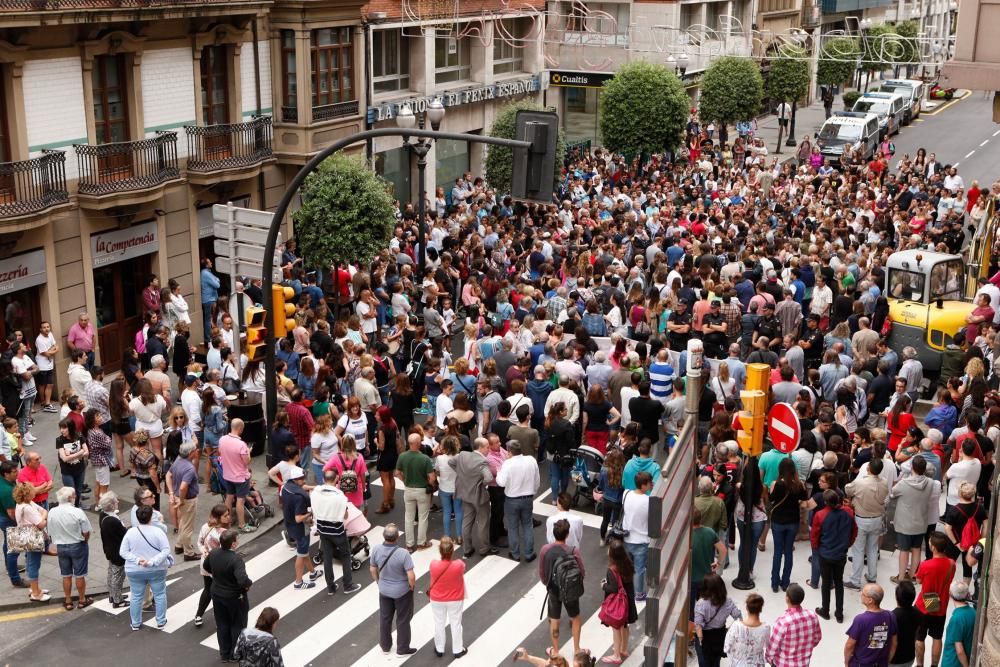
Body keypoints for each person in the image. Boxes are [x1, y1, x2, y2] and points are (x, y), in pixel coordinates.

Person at [120, 503, 172, 630]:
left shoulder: (130, 532)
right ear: (150, 517)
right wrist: (152, 562)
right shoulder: (158, 532)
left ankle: (135, 623)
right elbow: (166, 550)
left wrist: (138, 560)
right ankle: (160, 621)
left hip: (135, 570)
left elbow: (123, 552)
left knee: (136, 596)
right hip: (156, 569)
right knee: (159, 594)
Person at [205, 528, 253, 663]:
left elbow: (206, 566)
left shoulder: (214, 553)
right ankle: (235, 653)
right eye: (237, 539)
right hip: (234, 596)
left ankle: (224, 654)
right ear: (233, 544)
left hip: (217, 593)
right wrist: (248, 584)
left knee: (222, 624)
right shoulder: (236, 559)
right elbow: (242, 580)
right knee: (237, 624)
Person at [538, 518, 585, 657]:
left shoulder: (545, 550)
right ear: (567, 534)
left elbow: (542, 572)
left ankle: (556, 651)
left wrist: (547, 583)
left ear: (553, 533)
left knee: (554, 620)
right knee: (575, 617)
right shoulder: (573, 551)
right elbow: (582, 571)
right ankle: (577, 649)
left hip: (553, 589)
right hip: (570, 589)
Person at [311, 468, 362, 596]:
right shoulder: (340, 496)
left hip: (323, 529)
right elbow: (344, 516)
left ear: (323, 479)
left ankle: (331, 587)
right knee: (345, 555)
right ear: (337, 479)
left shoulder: (315, 492)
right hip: (337, 531)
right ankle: (348, 585)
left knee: (327, 557)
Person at [371, 523, 417, 657]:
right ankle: (402, 649)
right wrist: (411, 586)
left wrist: (379, 582)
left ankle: (385, 646)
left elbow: (373, 569)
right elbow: (411, 575)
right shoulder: (403, 553)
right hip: (402, 591)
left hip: (384, 590)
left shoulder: (376, 549)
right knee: (403, 619)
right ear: (397, 537)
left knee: (385, 618)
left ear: (383, 536)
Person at [915, 532, 958, 667]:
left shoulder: (925, 565)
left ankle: (920, 665)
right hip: (941, 606)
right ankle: (934, 665)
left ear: (933, 548)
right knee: (937, 637)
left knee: (919, 637)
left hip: (924, 606)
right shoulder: (952, 564)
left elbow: (919, 581)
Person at [450, 436, 496, 558]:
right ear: (480, 448)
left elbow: (451, 462)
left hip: (465, 494)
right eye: (487, 447)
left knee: (467, 522)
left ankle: (467, 549)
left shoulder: (463, 455)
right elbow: (489, 478)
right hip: (479, 496)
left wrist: (462, 474)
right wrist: (480, 484)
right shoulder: (482, 462)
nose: (489, 449)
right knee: (483, 523)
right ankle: (484, 548)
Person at [48, 486, 93, 610]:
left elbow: (50, 532)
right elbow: (86, 531)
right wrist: (85, 541)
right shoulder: (77, 512)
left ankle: (68, 601)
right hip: (77, 545)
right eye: (74, 495)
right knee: (80, 575)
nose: (75, 497)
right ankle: (82, 600)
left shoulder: (52, 511)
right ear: (70, 498)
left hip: (61, 546)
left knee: (66, 575)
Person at [497, 439, 540, 562]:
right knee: (527, 526)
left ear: (509, 452)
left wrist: (499, 471)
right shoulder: (531, 460)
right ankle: (529, 553)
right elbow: (537, 480)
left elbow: (501, 482)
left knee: (513, 527)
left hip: (512, 500)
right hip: (527, 498)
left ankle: (515, 554)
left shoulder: (507, 464)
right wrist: (533, 492)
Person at [769, 457, 808, 593]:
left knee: (777, 552)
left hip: (778, 521)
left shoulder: (777, 484)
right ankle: (785, 582)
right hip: (793, 521)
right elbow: (804, 502)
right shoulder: (799, 485)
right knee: (788, 552)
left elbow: (771, 499)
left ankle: (775, 583)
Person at [279, 466, 322, 589]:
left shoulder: (287, 487)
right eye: (302, 478)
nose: (304, 480)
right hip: (300, 528)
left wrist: (316, 488)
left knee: (304, 552)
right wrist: (311, 513)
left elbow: (302, 487)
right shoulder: (299, 497)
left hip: (290, 524)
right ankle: (298, 582)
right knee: (301, 554)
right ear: (296, 479)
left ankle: (313, 573)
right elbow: (299, 518)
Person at [429, 535, 468, 659]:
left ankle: (439, 648)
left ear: (440, 550)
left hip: (437, 599)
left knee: (439, 623)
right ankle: (457, 650)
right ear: (452, 551)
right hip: (455, 599)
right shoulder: (459, 565)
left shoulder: (433, 564)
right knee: (456, 623)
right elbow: (462, 571)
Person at [765, 584, 822, 667]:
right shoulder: (812, 616)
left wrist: (769, 660)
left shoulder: (782, 622)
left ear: (787, 598)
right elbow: (817, 638)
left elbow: (772, 649)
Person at [601, 539, 638, 664]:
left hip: (619, 605)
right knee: (625, 625)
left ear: (612, 554)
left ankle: (616, 655)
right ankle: (623, 649)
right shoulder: (628, 563)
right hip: (628, 600)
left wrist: (604, 585)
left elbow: (613, 589)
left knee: (616, 628)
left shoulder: (612, 570)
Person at [396, 432, 435, 552]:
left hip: (408, 489)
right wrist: (430, 484)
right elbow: (432, 477)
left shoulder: (402, 456)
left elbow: (397, 473)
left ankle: (409, 545)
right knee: (423, 517)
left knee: (409, 518)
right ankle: (421, 542)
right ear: (419, 444)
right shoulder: (425, 459)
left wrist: (404, 481)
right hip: (422, 490)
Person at [195, 504, 231, 627]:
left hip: (205, 564)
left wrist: (203, 551)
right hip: (218, 566)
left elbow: (199, 542)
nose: (229, 517)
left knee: (208, 589)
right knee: (218, 592)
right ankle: (220, 619)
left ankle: (198, 615)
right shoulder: (225, 533)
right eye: (226, 516)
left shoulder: (206, 527)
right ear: (218, 517)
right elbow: (227, 551)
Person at [844, 583, 898, 667]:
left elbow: (850, 645)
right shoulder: (890, 616)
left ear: (870, 600)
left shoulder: (860, 619)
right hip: (881, 663)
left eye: (863, 594)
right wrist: (887, 662)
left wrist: (846, 663)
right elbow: (894, 643)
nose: (861, 595)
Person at [694, 573, 741, 667]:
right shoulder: (728, 601)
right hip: (720, 636)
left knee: (704, 663)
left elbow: (698, 626)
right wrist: (729, 630)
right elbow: (739, 618)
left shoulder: (701, 603)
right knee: (716, 661)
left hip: (705, 637)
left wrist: (700, 641)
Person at [219, 419, 256, 534]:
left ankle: (226, 522)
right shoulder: (241, 445)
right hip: (240, 477)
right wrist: (248, 452)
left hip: (227, 475)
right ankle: (242, 524)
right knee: (240, 501)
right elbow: (246, 462)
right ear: (240, 428)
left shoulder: (222, 439)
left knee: (229, 497)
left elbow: (221, 454)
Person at [167, 441, 200, 561]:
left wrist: (171, 493)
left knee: (183, 523)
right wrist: (181, 500)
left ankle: (179, 545)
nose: (197, 451)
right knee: (188, 527)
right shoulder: (189, 468)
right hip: (188, 500)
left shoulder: (178, 460)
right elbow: (183, 487)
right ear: (191, 453)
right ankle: (189, 553)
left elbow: (168, 475)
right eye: (196, 450)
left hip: (178, 497)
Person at [622, 472, 653, 602]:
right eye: (650, 482)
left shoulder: (626, 494)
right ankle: (639, 594)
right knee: (639, 569)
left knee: (627, 567)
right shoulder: (649, 501)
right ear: (644, 485)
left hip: (627, 537)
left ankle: (626, 590)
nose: (652, 484)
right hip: (642, 540)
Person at [97, 491, 127, 608]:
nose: (118, 502)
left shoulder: (103, 515)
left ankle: (113, 595)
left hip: (110, 549)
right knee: (118, 576)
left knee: (112, 572)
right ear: (112, 505)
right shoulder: (112, 521)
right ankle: (117, 600)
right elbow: (124, 534)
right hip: (117, 552)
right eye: (116, 501)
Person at [724, 593, 770, 667]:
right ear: (761, 609)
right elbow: (767, 647)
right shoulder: (766, 628)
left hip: (738, 664)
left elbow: (727, 647)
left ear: (747, 608)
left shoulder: (736, 626)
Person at [434, 436, 463, 542]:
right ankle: (459, 536)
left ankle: (447, 536)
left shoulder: (440, 458)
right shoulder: (460, 457)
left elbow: (437, 471)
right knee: (459, 511)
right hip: (457, 488)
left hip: (444, 488)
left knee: (446, 512)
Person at [940, 581, 975, 667]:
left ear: (950, 595)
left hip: (952, 662)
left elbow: (959, 650)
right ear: (968, 595)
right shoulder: (974, 612)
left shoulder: (956, 619)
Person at [890, 581, 919, 667]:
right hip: (909, 657)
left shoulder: (892, 616)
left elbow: (892, 642)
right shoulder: (917, 613)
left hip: (894, 660)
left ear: (896, 597)